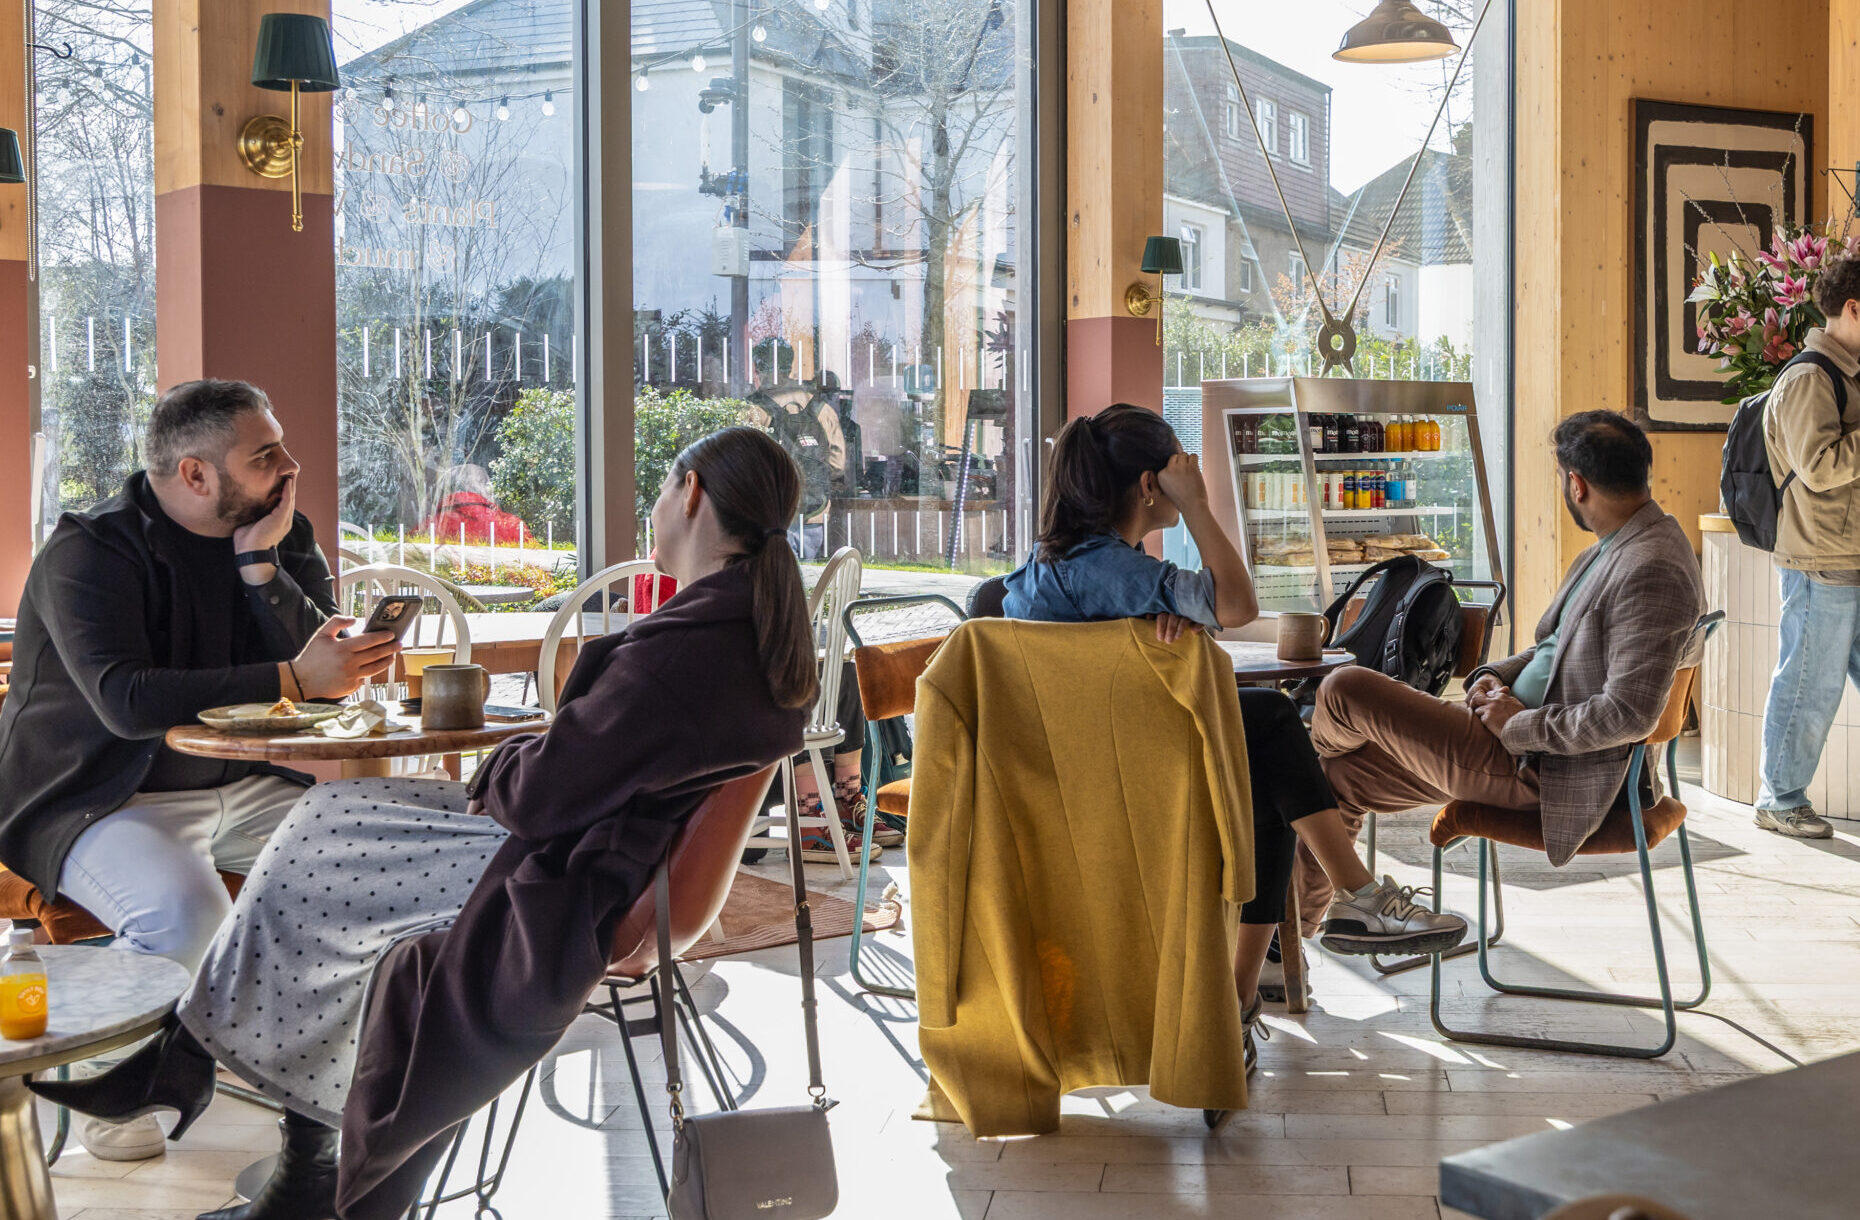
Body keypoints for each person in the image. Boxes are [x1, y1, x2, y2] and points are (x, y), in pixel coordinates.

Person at [34, 426, 816, 1220]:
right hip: (603, 853)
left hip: (573, 868)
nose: (654, 507)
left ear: (691, 493)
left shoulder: (686, 652)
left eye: (663, 488)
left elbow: (541, 794)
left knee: (328, 842)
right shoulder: (738, 629)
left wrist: (512, 759)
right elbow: (587, 765)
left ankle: (216, 1086)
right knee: (325, 821)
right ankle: (208, 1075)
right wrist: (530, 755)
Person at [998, 403, 1468, 1073]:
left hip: (1071, 770)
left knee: (1263, 774)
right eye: (1181, 466)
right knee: (1273, 722)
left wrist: (1168, 615)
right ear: (1150, 484)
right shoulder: (1114, 570)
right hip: (1122, 778)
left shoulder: (1055, 567)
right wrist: (1197, 506)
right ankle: (1351, 902)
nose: (1192, 473)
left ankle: (1244, 1000)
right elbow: (1240, 605)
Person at [0, 378, 398, 1161]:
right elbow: (127, 700)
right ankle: (114, 1093)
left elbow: (329, 666)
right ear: (194, 474)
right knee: (185, 920)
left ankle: (306, 1109)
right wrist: (291, 678)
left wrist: (261, 571)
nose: (289, 466)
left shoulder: (280, 533)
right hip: (98, 797)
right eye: (265, 455)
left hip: (236, 785)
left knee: (367, 872)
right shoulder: (91, 550)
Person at [1309, 410, 1706, 878]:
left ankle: (1302, 750)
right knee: (1333, 779)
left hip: (1543, 769)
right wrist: (1492, 676)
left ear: (1576, 485)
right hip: (1508, 740)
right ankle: (1308, 923)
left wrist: (1517, 725)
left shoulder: (1652, 567)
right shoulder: (1613, 546)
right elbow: (1553, 648)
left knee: (1343, 688)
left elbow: (1628, 715)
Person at [1753, 253, 1860, 839]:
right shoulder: (1808, 378)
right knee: (1809, 684)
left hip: (1848, 553)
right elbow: (1818, 467)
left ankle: (1781, 794)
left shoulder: (1847, 374)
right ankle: (1779, 797)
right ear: (1853, 308)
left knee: (1816, 680)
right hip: (1822, 558)